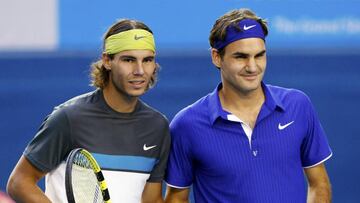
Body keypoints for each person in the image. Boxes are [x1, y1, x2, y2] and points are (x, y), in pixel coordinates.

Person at [165, 8, 332, 203]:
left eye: (259, 55)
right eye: (241, 57)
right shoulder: (186, 125)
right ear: (216, 57)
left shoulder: (298, 105)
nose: (252, 67)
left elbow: (319, 183)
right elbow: (176, 198)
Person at [7, 19, 170, 203]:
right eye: (128, 60)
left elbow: (151, 199)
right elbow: (19, 182)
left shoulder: (158, 127)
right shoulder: (68, 118)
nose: (140, 70)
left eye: (147, 60)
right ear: (107, 60)